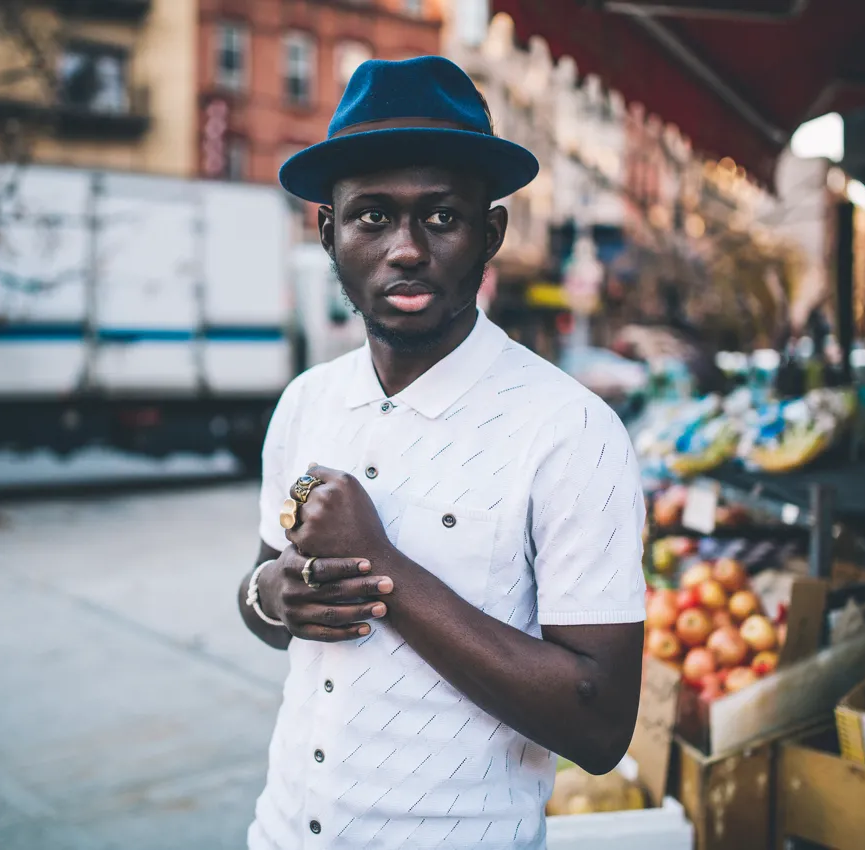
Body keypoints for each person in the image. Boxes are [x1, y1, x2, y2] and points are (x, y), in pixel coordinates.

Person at [237, 56, 647, 849]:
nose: (406, 250)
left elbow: (600, 725)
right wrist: (272, 595)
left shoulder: (571, 431)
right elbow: (260, 600)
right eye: (371, 217)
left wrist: (380, 564)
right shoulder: (306, 403)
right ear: (329, 233)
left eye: (441, 217)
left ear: (490, 232)